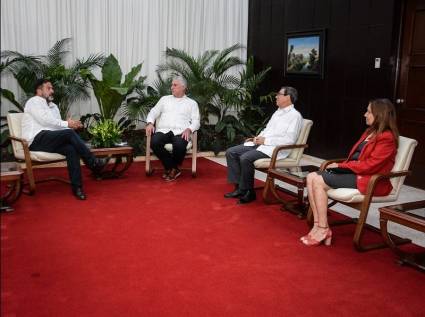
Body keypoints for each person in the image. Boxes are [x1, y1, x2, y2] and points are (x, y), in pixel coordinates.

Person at [302, 98, 399, 246]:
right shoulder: (369, 132)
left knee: (318, 180)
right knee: (311, 177)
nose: (365, 114)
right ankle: (319, 226)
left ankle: (323, 229)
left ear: (380, 114)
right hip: (355, 174)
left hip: (370, 179)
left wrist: (342, 166)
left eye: (368, 111)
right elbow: (357, 158)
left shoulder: (387, 137)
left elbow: (370, 166)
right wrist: (341, 166)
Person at [21, 79, 109, 200]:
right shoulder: (34, 101)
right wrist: (67, 124)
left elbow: (57, 126)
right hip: (35, 140)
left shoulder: (53, 106)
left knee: (71, 149)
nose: (52, 91)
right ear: (39, 90)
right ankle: (93, 163)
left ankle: (77, 188)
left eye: (52, 88)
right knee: (68, 133)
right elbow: (45, 121)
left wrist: (72, 124)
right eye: (48, 88)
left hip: (50, 139)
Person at [224, 86, 303, 204]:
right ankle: (239, 188)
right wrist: (258, 138)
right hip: (262, 144)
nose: (276, 96)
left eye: (279, 94)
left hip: (275, 149)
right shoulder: (278, 112)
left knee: (245, 158)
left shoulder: (295, 116)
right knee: (231, 152)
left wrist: (265, 141)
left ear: (287, 97)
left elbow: (289, 140)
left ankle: (249, 192)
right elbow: (267, 129)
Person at [145, 77, 200, 181]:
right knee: (155, 142)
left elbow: (196, 121)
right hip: (163, 130)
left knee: (179, 145)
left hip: (181, 132)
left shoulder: (192, 103)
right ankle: (173, 168)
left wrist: (189, 129)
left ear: (183, 87)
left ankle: (171, 168)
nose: (171, 87)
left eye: (175, 85)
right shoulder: (164, 99)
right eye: (172, 85)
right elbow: (154, 112)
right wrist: (150, 123)